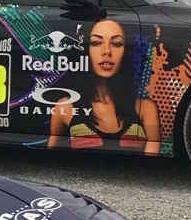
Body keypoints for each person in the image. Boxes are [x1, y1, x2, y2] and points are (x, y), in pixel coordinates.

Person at [48, 17, 160, 154]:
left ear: (126, 52)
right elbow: (49, 160)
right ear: (86, 50)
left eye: (116, 44)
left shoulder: (145, 109)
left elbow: (151, 162)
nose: (106, 51)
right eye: (96, 42)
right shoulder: (65, 107)